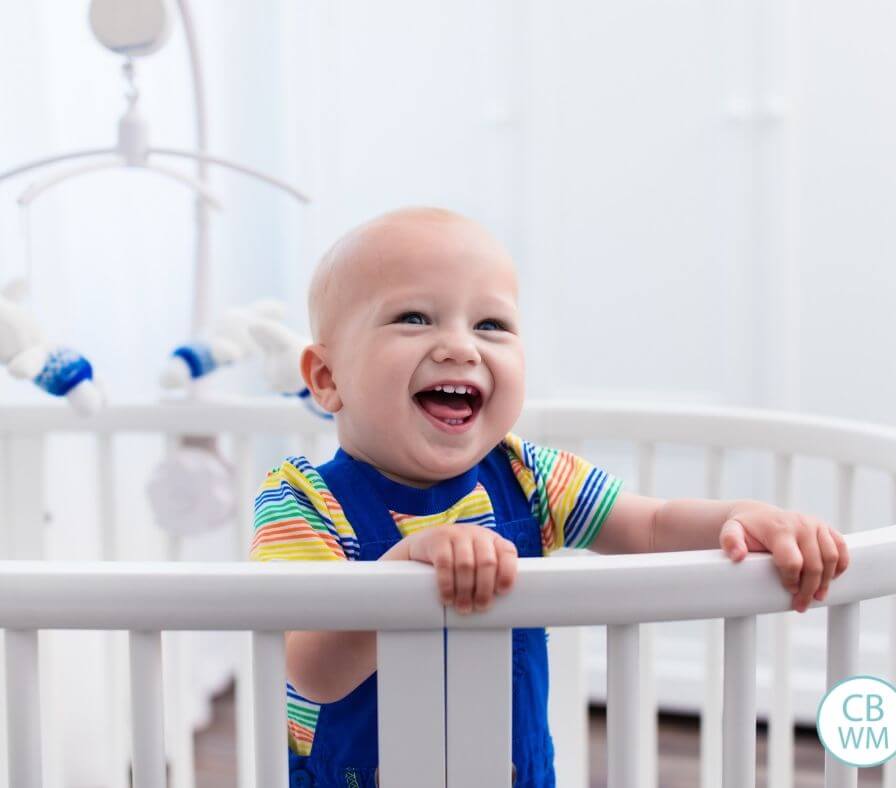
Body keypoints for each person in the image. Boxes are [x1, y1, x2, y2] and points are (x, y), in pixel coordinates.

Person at [250, 206, 850, 788]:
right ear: (327, 378)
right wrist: (405, 570)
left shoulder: (529, 475)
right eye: (413, 318)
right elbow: (312, 669)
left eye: (491, 325)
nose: (461, 347)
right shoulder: (303, 500)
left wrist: (743, 516)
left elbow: (651, 525)